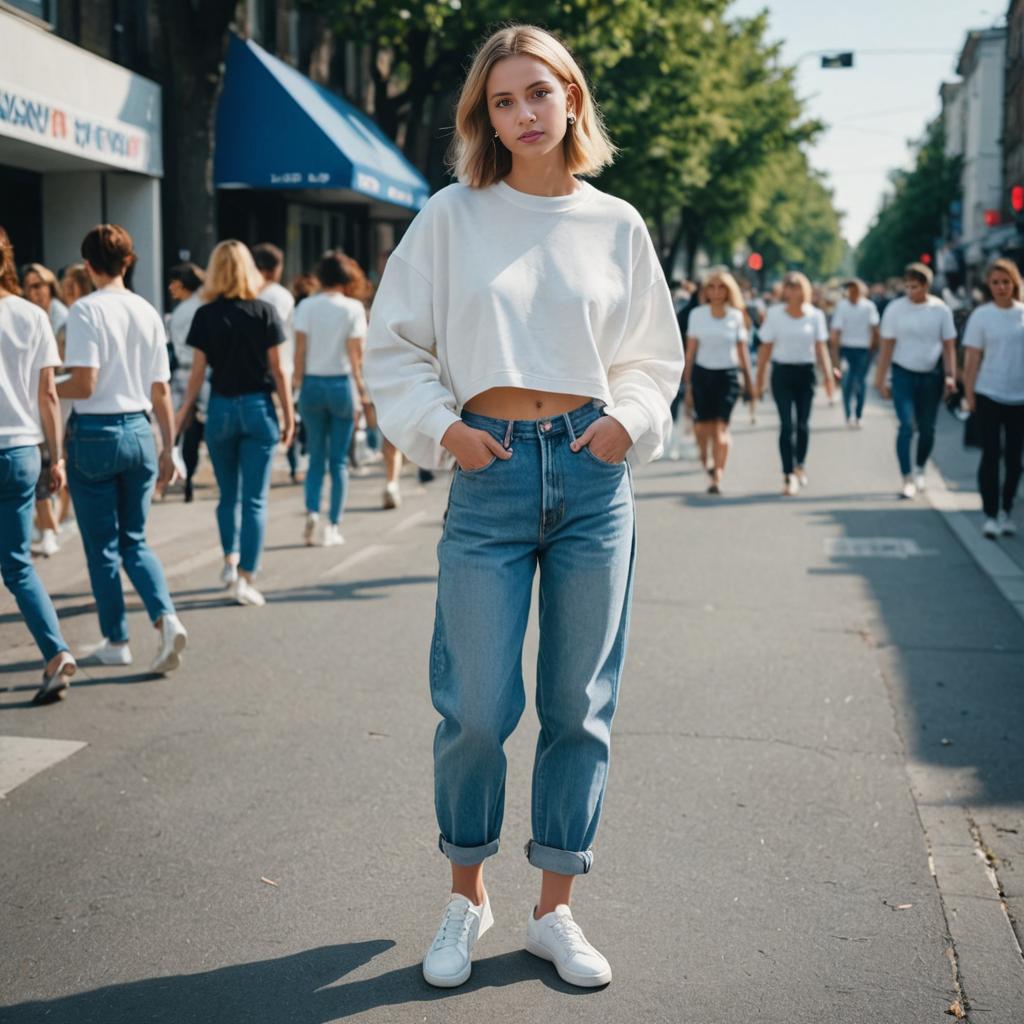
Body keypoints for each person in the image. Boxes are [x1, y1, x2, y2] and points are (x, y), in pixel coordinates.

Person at [365, 24, 681, 990]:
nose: (523, 114)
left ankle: (555, 911)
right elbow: (395, 345)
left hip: (593, 478)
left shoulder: (616, 223)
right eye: (502, 101)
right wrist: (446, 432)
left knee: (579, 705)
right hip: (490, 471)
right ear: (484, 117)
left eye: (538, 93)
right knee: (473, 706)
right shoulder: (451, 218)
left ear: (573, 98)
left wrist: (626, 420)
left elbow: (650, 355)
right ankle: (467, 897)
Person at [57, 224, 188, 673]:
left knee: (102, 547)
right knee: (135, 540)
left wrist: (44, 384)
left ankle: (117, 640)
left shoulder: (84, 311)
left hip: (94, 432)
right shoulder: (148, 311)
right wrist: (171, 448)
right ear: (128, 262)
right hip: (140, 430)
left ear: (88, 265)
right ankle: (166, 617)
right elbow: (161, 389)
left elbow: (85, 382)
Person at [176, 241, 295, 606]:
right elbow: (278, 370)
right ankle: (246, 578)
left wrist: (181, 416)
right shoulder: (265, 311)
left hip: (221, 409)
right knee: (255, 500)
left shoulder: (205, 315)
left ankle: (229, 561)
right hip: (258, 409)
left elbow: (197, 374)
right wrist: (289, 416)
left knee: (228, 496)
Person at [0, 226, 78, 703]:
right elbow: (48, 393)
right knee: (18, 565)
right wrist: (58, 456)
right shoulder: (32, 315)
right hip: (23, 451)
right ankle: (55, 653)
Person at [293, 250, 367, 546]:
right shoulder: (353, 309)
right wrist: (362, 392)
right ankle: (332, 525)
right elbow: (356, 356)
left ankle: (312, 511)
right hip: (341, 384)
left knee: (315, 457)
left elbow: (299, 351)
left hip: (311, 384)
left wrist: (297, 384)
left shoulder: (307, 306)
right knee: (338, 462)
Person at [874, 262, 957, 500]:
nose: (910, 291)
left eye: (915, 287)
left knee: (928, 428)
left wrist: (950, 375)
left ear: (926, 286)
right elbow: (887, 345)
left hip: (931, 374)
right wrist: (881, 379)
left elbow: (948, 345)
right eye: (907, 286)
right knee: (906, 426)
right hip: (903, 373)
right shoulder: (895, 309)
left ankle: (920, 467)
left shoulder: (940, 310)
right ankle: (907, 476)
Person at [755, 271, 836, 496]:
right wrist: (759, 379)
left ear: (804, 289)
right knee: (786, 425)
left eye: (796, 285)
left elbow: (821, 349)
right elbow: (765, 349)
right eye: (788, 286)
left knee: (802, 424)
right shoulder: (774, 315)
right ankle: (788, 474)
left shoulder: (815, 315)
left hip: (806, 373)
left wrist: (828, 378)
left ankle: (800, 464)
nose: (791, 289)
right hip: (782, 373)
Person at [962, 258, 1024, 538]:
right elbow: (972, 357)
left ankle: (1005, 510)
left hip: (1019, 396)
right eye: (996, 282)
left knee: (1014, 458)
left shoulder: (1022, 313)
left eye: (1006, 282)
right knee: (991, 454)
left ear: (1014, 283)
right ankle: (989, 513)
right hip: (988, 391)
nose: (1001, 287)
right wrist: (969, 392)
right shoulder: (981, 316)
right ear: (989, 285)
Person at [683, 268, 753, 493]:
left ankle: (717, 476)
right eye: (711, 286)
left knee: (721, 430)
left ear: (729, 290)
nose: (716, 291)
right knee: (704, 428)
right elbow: (691, 352)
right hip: (702, 375)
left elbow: (742, 351)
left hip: (728, 376)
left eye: (721, 286)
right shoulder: (697, 315)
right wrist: (687, 386)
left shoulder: (736, 316)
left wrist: (750, 381)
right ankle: (706, 459)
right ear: (705, 290)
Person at [252, 244, 299, 484]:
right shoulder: (281, 296)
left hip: (251, 371)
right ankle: (293, 466)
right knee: (285, 419)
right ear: (275, 269)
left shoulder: (246, 292)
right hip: (280, 366)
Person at [166, 263, 206, 502]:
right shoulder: (204, 304)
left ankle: (184, 476)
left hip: (184, 372)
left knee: (182, 425)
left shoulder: (182, 310)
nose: (170, 288)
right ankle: (190, 473)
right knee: (200, 427)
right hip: (205, 372)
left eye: (173, 283)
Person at [829, 278, 880, 428]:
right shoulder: (842, 306)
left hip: (863, 349)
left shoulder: (868, 306)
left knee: (860, 382)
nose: (852, 293)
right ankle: (848, 414)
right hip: (846, 349)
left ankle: (858, 414)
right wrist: (835, 351)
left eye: (855, 290)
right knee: (847, 381)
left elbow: (875, 328)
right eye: (850, 290)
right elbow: (836, 330)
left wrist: (874, 346)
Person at [22, 263, 69, 336]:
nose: (31, 294)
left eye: (37, 286)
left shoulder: (61, 317)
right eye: (28, 289)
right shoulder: (29, 315)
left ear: (50, 286)